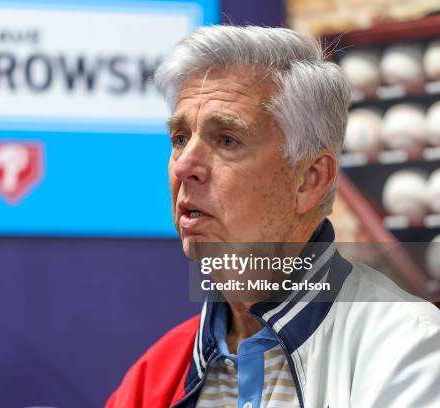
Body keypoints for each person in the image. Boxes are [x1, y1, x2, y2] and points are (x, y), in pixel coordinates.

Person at [106, 25, 440, 408]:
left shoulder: (405, 350)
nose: (184, 165)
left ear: (310, 180)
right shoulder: (154, 377)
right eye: (180, 138)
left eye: (226, 139)